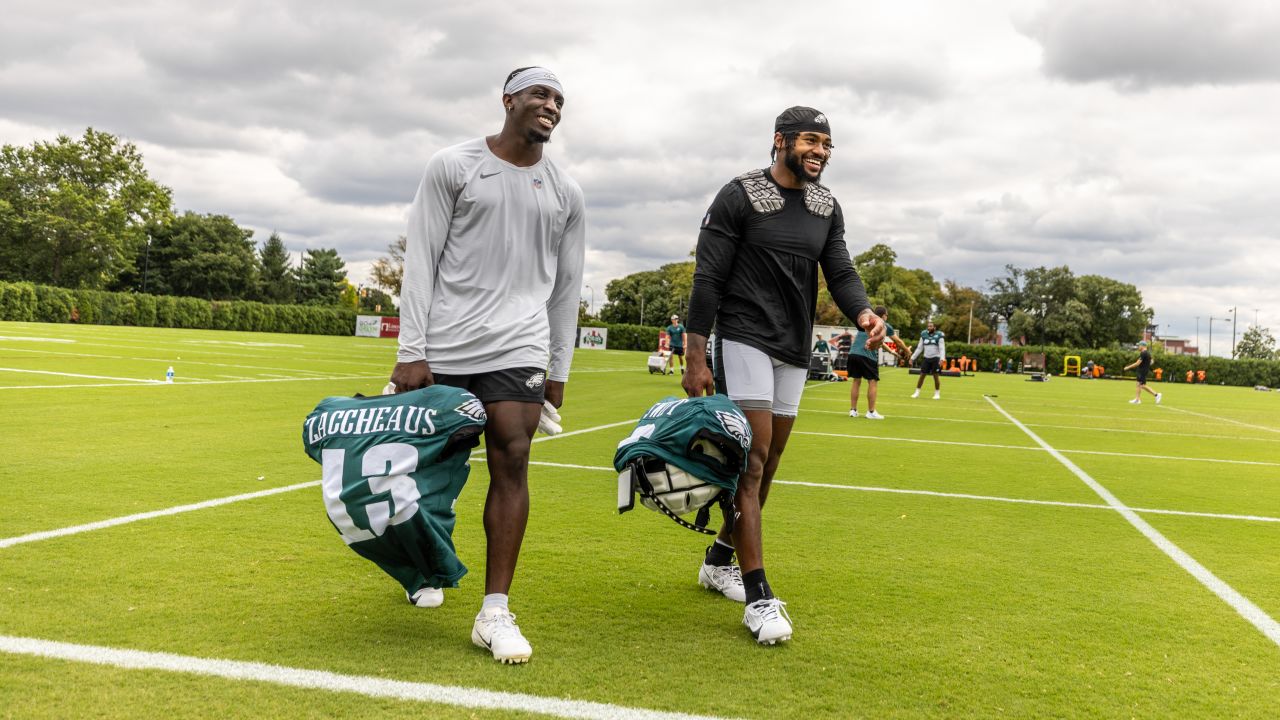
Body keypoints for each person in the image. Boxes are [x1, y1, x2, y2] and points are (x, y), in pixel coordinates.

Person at [389, 66, 585, 664]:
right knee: (430, 465)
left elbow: (567, 287)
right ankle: (425, 563)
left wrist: (559, 368)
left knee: (513, 454)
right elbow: (421, 256)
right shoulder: (453, 165)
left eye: (558, 98)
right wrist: (411, 350)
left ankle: (494, 610)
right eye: (538, 94)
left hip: (519, 345)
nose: (550, 104)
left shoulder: (566, 192)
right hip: (446, 342)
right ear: (508, 101)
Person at [683, 106, 884, 645]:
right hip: (744, 335)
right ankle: (759, 596)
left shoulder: (826, 206)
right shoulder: (740, 194)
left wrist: (863, 312)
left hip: (795, 347)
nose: (819, 151)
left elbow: (840, 270)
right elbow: (708, 277)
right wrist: (695, 354)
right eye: (810, 141)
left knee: (768, 463)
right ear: (780, 141)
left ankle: (719, 558)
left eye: (827, 144)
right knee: (752, 459)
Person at [848, 305, 910, 419]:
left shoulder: (867, 320)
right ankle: (871, 412)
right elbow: (898, 342)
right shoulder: (883, 324)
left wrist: (892, 352)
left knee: (856, 381)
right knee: (872, 381)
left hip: (853, 354)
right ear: (883, 316)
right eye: (887, 315)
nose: (887, 317)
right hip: (867, 355)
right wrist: (907, 351)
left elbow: (880, 342)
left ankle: (853, 410)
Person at [910, 320, 945, 399]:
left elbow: (942, 348)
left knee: (935, 376)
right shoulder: (923, 335)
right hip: (926, 358)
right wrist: (912, 358)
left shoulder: (939, 335)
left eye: (931, 326)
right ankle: (917, 392)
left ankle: (937, 393)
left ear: (934, 328)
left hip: (935, 358)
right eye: (928, 326)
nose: (929, 328)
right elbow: (919, 348)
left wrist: (942, 359)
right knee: (922, 375)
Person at [1123, 340, 1161, 404]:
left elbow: (1137, 363)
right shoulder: (1147, 353)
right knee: (1138, 384)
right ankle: (1137, 399)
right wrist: (1146, 364)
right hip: (1143, 371)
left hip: (1142, 371)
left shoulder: (1143, 353)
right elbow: (1152, 361)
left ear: (1142, 346)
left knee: (1142, 385)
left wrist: (1128, 367)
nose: (1138, 347)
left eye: (1139, 345)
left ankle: (1156, 395)